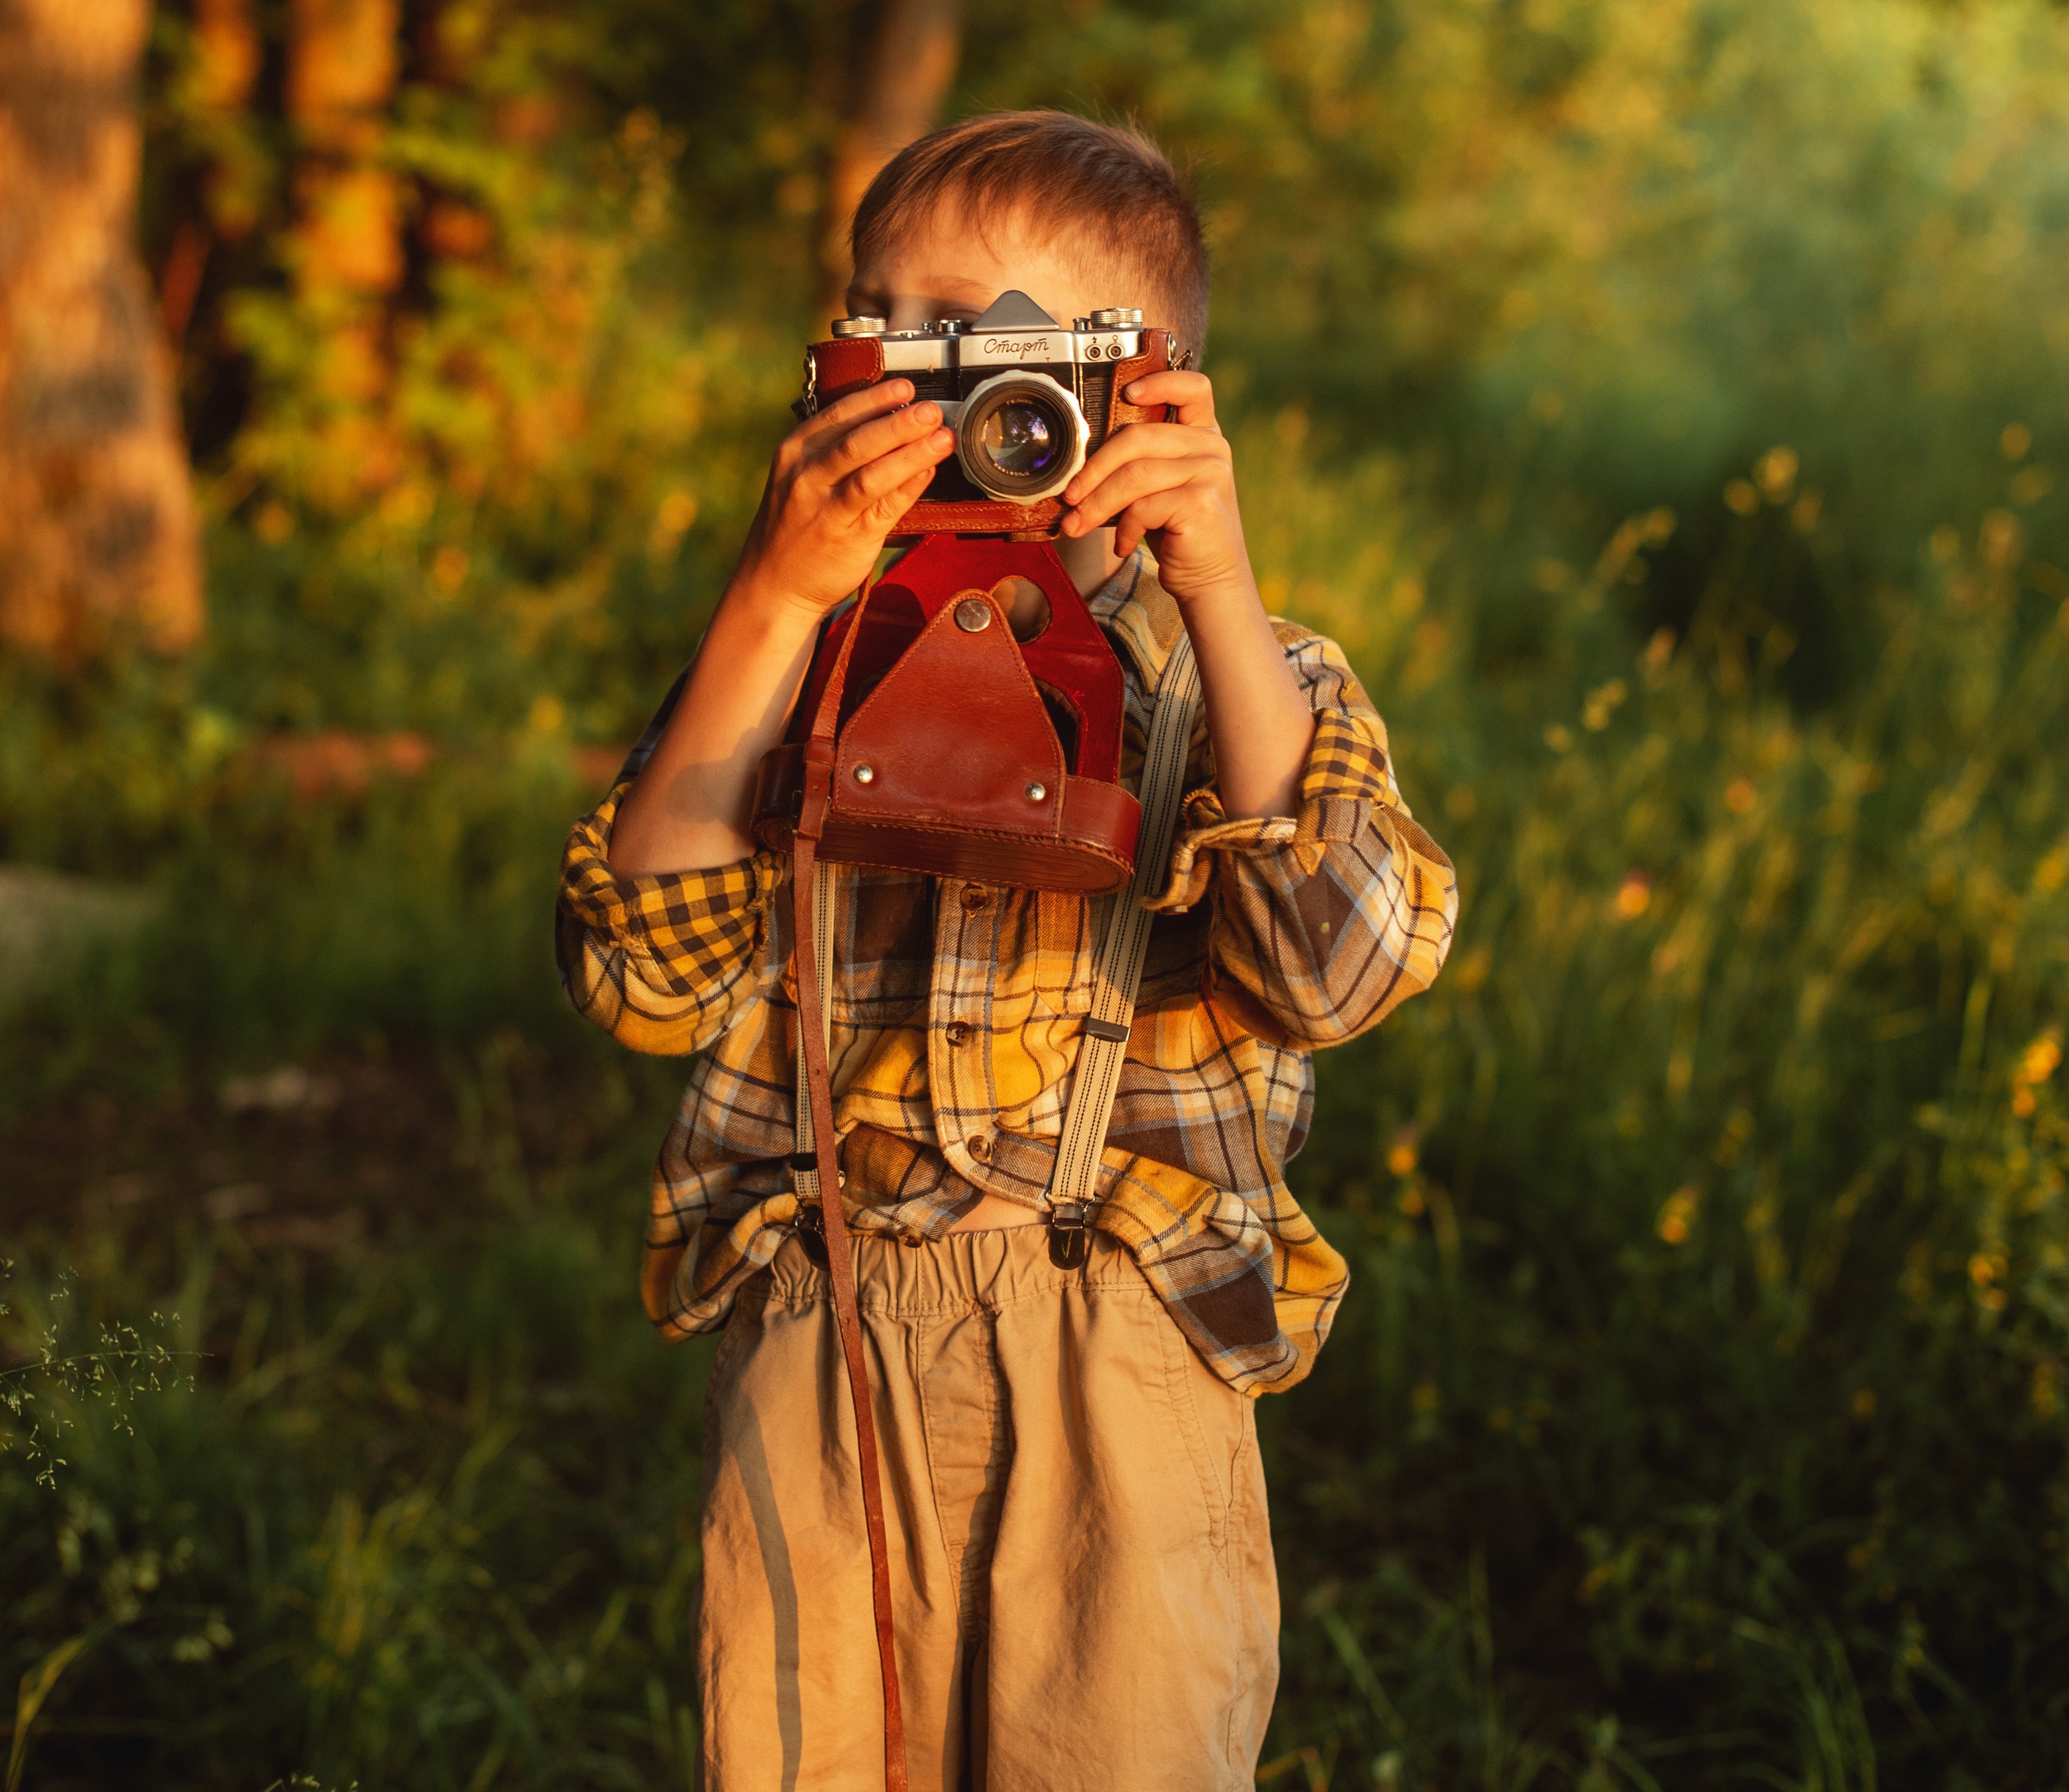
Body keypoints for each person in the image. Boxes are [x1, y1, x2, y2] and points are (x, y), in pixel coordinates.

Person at [556, 111, 1458, 1791]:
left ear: (1144, 383)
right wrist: (770, 594)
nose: (937, 397)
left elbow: (1334, 970)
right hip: (820, 1336)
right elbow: (642, 974)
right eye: (888, 329)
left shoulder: (1253, 680)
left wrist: (1215, 583)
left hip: (1118, 1339)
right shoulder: (791, 658)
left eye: (986, 344)